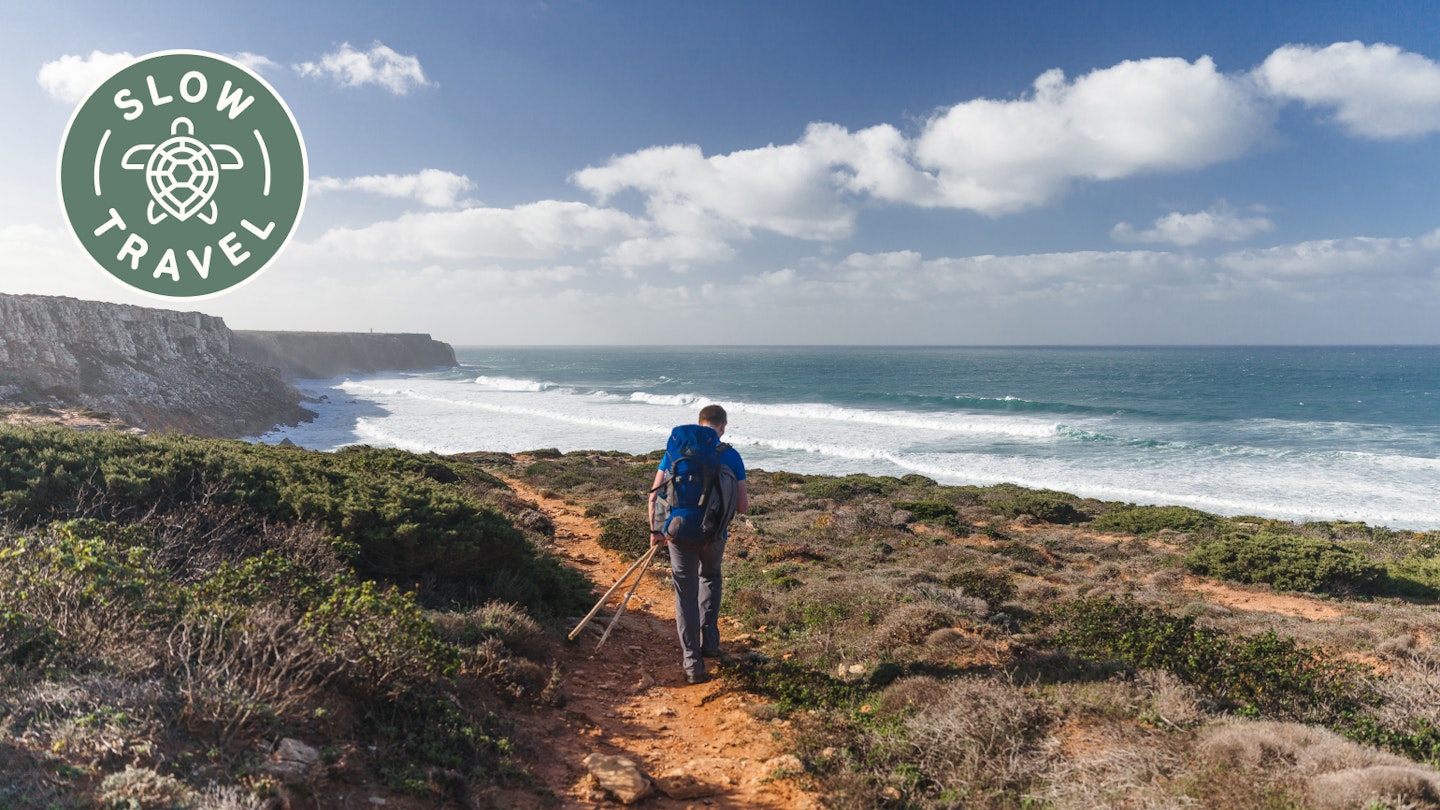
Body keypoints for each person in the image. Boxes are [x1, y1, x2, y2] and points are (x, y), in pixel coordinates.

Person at [648, 404, 748, 685]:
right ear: (722, 426)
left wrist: (656, 531)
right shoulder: (730, 455)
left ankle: (692, 663)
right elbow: (742, 506)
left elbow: (654, 496)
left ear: (699, 422)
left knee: (685, 593)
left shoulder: (674, 451)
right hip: (714, 533)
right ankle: (711, 645)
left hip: (677, 532)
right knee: (711, 578)